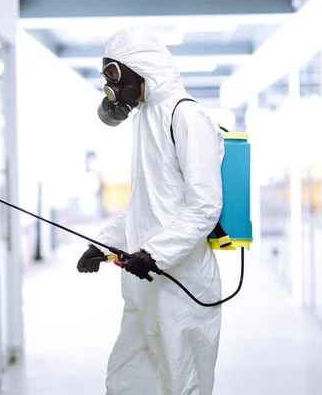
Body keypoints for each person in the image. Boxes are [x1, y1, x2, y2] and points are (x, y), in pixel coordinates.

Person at [77, 26, 225, 395]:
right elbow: (147, 202)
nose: (114, 91)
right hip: (144, 279)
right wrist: (103, 244)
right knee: (129, 375)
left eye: (117, 77)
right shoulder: (145, 118)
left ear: (144, 70)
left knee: (181, 379)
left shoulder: (186, 116)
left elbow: (205, 206)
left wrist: (155, 253)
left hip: (181, 281)